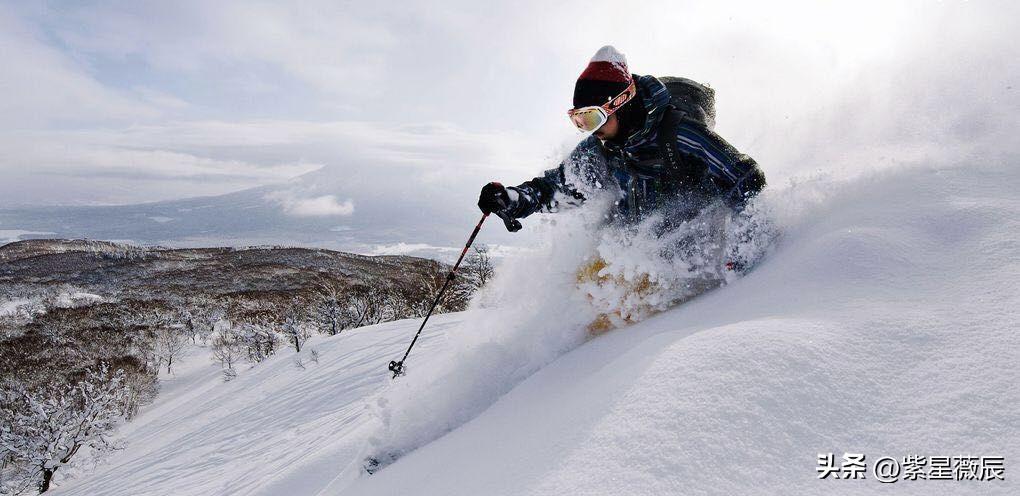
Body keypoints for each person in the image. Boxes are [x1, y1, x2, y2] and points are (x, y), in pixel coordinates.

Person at [477, 45, 766, 232]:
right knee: (594, 284)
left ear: (622, 104)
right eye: (579, 120)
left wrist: (741, 250)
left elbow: (746, 178)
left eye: (592, 118)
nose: (590, 129)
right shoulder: (601, 147)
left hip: (690, 238)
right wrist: (516, 199)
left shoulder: (680, 134)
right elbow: (560, 187)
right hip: (634, 243)